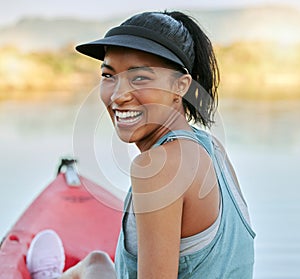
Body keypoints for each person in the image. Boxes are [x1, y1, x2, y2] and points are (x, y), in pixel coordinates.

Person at [26, 10, 255, 278]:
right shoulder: (213, 147)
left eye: (139, 78)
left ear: (180, 86)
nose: (119, 95)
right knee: (96, 263)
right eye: (108, 76)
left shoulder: (158, 167)